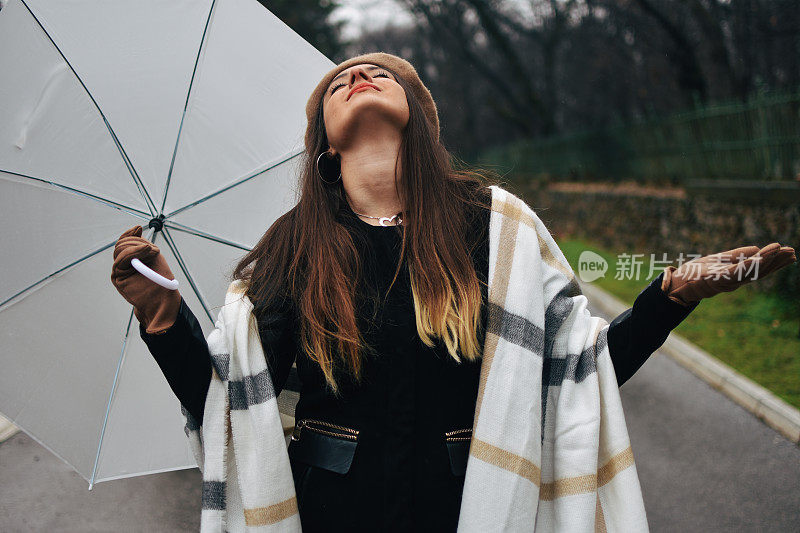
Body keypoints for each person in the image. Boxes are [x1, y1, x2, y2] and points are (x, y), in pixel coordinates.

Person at [110, 52, 796, 532]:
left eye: (382, 73)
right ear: (324, 143)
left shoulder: (496, 227)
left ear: (424, 122)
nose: (360, 73)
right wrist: (164, 317)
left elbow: (579, 377)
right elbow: (235, 399)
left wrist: (671, 297)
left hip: (477, 508)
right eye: (341, 79)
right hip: (333, 516)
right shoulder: (296, 245)